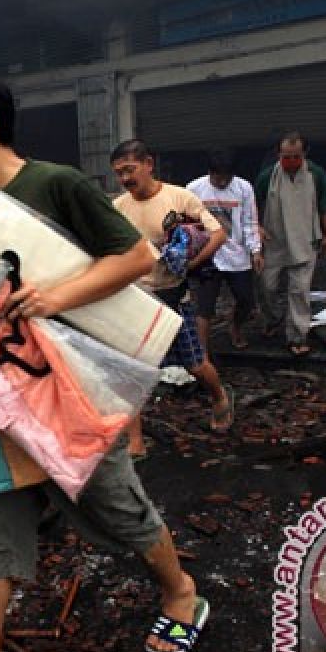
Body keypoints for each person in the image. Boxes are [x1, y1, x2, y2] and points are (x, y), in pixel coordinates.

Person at [0, 70, 209, 652]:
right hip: (1, 389)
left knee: (114, 502)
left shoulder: (56, 183)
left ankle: (182, 592)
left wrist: (54, 297)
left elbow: (135, 259)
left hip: (71, 386)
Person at [111, 140, 234, 460]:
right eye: (119, 173)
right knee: (129, 369)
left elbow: (218, 232)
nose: (125, 178)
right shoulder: (119, 207)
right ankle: (135, 441)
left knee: (195, 364)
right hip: (137, 297)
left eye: (130, 169)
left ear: (148, 163)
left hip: (176, 295)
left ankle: (220, 397)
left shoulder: (179, 197)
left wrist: (191, 263)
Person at [254, 130, 326, 356]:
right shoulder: (267, 177)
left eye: (295, 156)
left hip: (305, 241)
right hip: (274, 241)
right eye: (286, 156)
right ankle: (273, 318)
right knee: (267, 287)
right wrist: (257, 228)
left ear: (304, 154)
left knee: (299, 292)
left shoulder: (316, 174)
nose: (291, 161)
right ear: (278, 154)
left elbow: (325, 205)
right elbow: (252, 206)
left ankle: (297, 337)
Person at [186, 148, 263, 351]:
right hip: (207, 256)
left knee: (246, 300)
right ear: (210, 173)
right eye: (217, 177)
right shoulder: (194, 188)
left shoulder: (244, 188)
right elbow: (185, 221)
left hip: (237, 254)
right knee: (205, 306)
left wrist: (256, 250)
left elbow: (250, 221)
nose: (221, 182)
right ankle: (202, 354)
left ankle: (235, 326)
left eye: (226, 178)